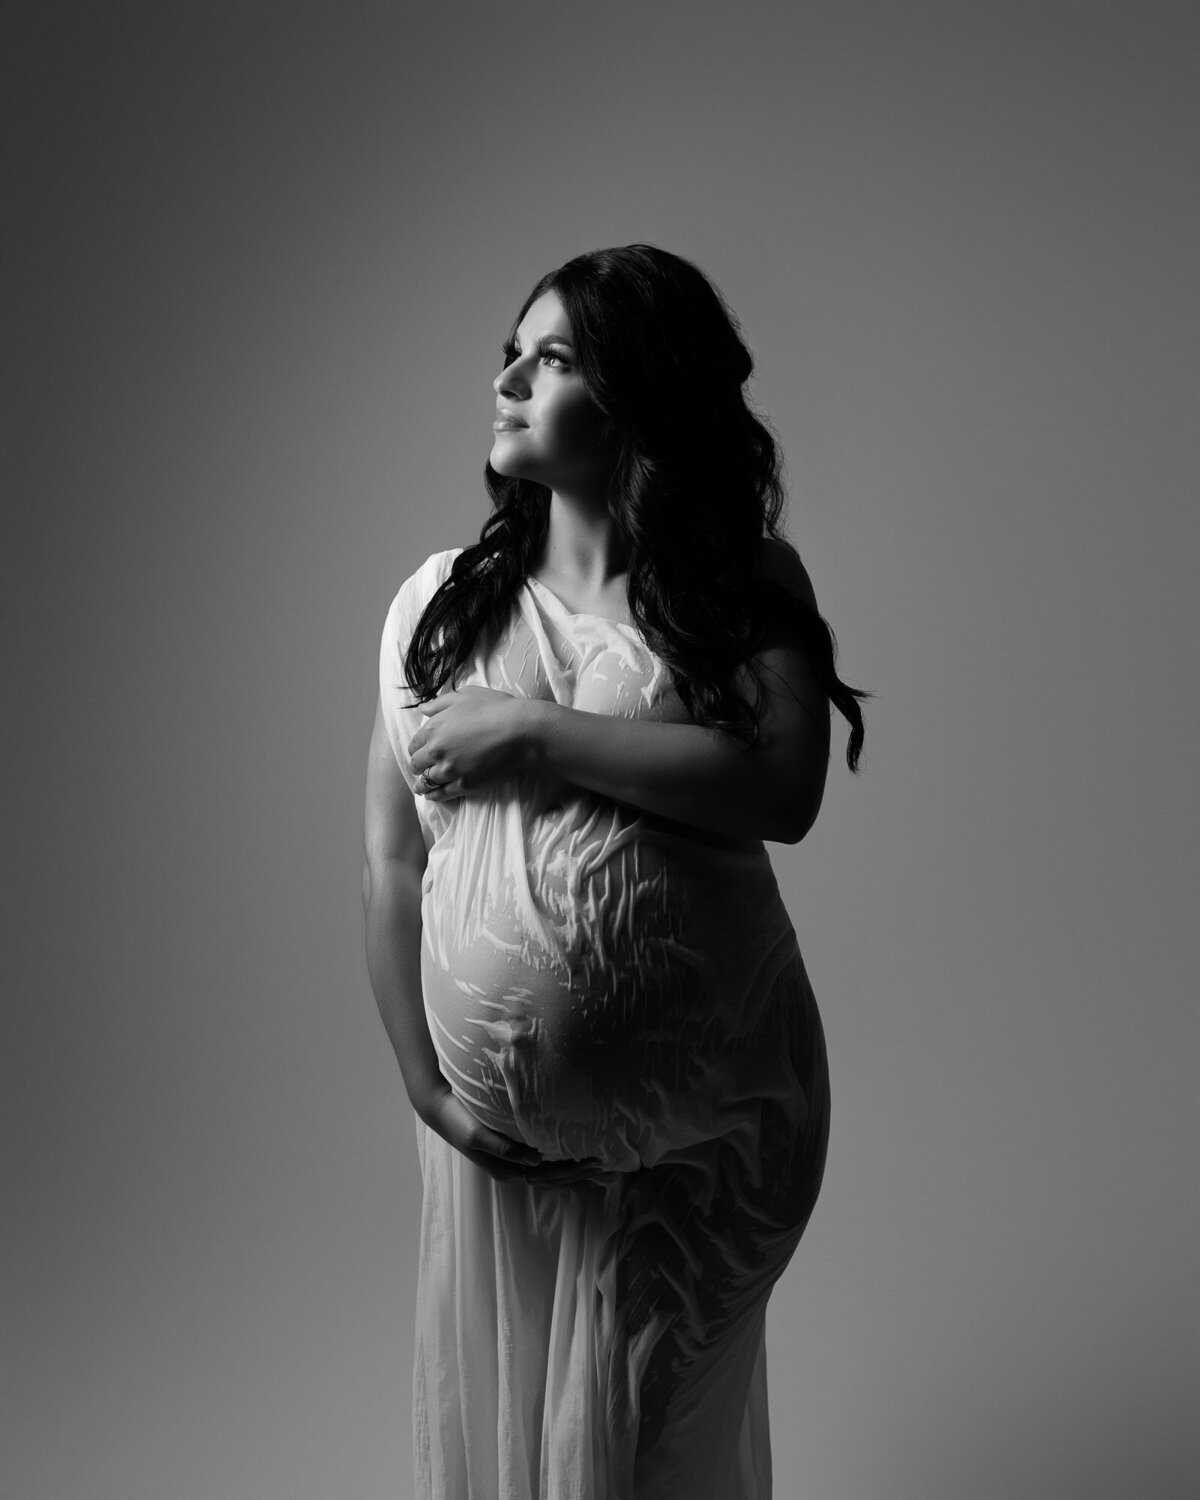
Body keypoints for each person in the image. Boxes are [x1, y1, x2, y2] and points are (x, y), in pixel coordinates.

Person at [362, 244, 866, 1500]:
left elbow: (782, 788)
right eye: (512, 353)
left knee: (639, 1457)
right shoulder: (438, 606)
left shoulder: (740, 582)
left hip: (717, 1139)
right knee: (534, 1453)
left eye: (555, 359)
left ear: (640, 393)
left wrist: (531, 735)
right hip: (498, 1154)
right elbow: (391, 856)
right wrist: (426, 1088)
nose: (508, 381)